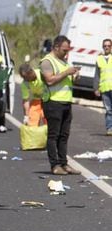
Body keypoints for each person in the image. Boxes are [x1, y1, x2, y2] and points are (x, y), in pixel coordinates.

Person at [40, 35, 81, 175]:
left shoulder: (64, 62)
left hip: (66, 102)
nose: (66, 53)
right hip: (53, 103)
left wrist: (74, 77)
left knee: (64, 135)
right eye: (64, 50)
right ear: (56, 47)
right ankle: (55, 165)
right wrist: (67, 72)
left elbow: (66, 80)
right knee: (54, 135)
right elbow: (50, 80)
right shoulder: (47, 61)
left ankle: (64, 163)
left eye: (68, 50)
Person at [94, 38, 112, 136]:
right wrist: (96, 88)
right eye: (105, 46)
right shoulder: (99, 59)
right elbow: (97, 75)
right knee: (108, 110)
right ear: (102, 47)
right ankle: (109, 129)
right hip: (104, 88)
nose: (107, 47)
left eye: (109, 46)